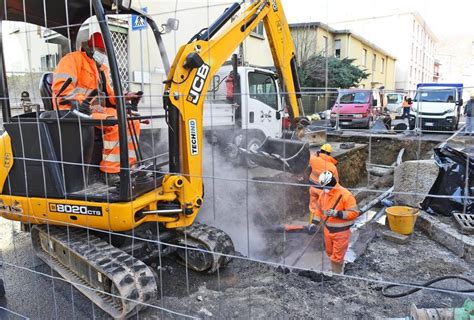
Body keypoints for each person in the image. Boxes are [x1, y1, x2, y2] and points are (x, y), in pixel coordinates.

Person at [52, 32, 142, 184]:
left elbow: (107, 94)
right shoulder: (72, 60)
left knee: (132, 121)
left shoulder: (101, 68)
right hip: (73, 110)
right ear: (91, 48)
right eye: (101, 51)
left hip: (94, 110)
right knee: (114, 121)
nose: (103, 55)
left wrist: (125, 96)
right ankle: (110, 172)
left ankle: (127, 167)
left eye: (105, 52)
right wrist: (87, 104)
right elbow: (61, 90)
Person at [312, 170, 359, 274]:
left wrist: (337, 213)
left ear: (331, 183)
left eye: (325, 186)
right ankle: (335, 269)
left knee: (337, 258)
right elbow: (318, 210)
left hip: (341, 233)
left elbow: (354, 213)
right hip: (327, 231)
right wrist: (314, 222)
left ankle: (336, 277)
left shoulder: (345, 195)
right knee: (329, 253)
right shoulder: (323, 195)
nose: (324, 189)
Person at [308, 143, 339, 220]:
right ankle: (322, 227)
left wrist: (316, 154)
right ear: (329, 154)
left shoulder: (313, 159)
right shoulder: (332, 167)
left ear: (320, 151)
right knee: (323, 208)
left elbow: (309, 156)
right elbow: (336, 182)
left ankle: (311, 227)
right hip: (324, 191)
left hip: (313, 188)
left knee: (313, 208)